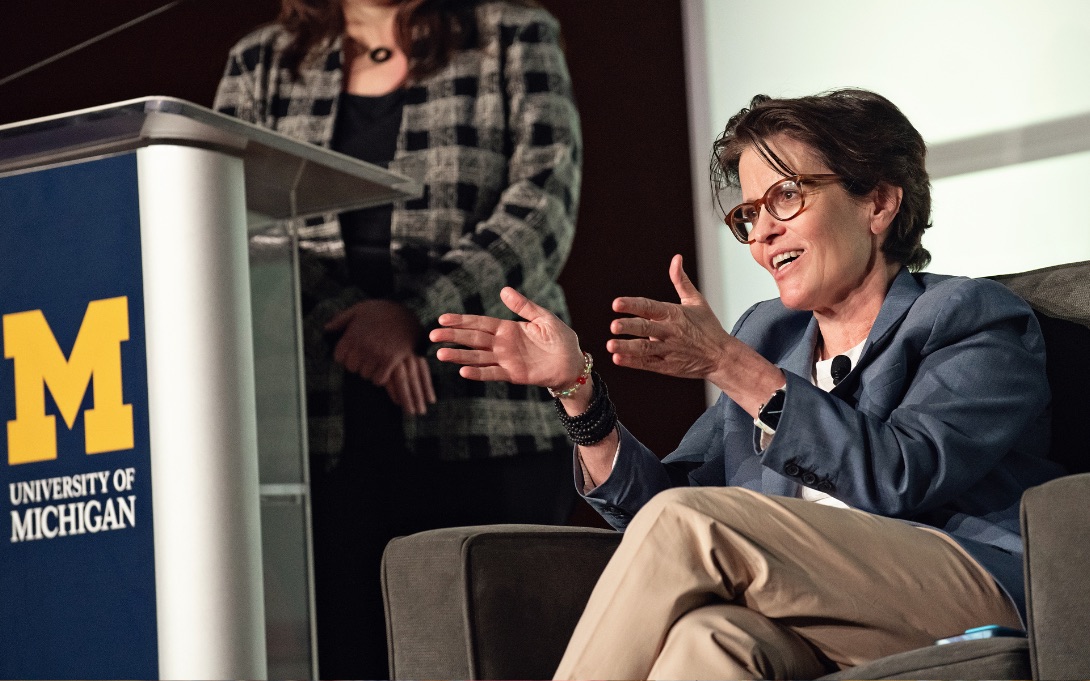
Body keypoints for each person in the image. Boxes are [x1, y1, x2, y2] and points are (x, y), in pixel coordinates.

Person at [429, 88, 1065, 679]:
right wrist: (577, 392)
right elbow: (666, 506)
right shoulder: (770, 336)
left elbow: (902, 474)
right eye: (749, 214)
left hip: (969, 588)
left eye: (785, 197)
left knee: (693, 527)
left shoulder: (970, 317)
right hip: (819, 606)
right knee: (708, 639)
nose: (761, 233)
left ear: (878, 201)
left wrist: (731, 367)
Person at [213, 0, 581, 677]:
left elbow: (544, 205)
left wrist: (418, 313)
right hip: (315, 428)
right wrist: (358, 322)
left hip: (486, 415)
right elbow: (239, 219)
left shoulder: (511, 36)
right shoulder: (261, 64)